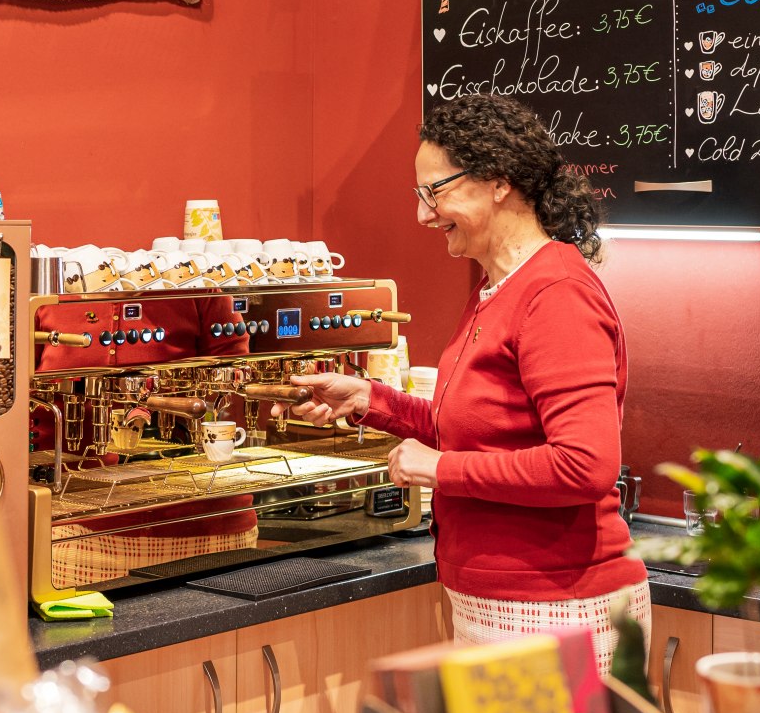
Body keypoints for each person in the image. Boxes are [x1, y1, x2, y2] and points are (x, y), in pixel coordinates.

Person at [275, 94, 649, 674]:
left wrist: (439, 470)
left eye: (436, 191)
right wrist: (372, 401)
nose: (424, 215)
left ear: (498, 181)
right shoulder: (498, 289)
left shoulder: (555, 296)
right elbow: (483, 430)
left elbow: (585, 465)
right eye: (419, 196)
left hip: (561, 608)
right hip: (503, 603)